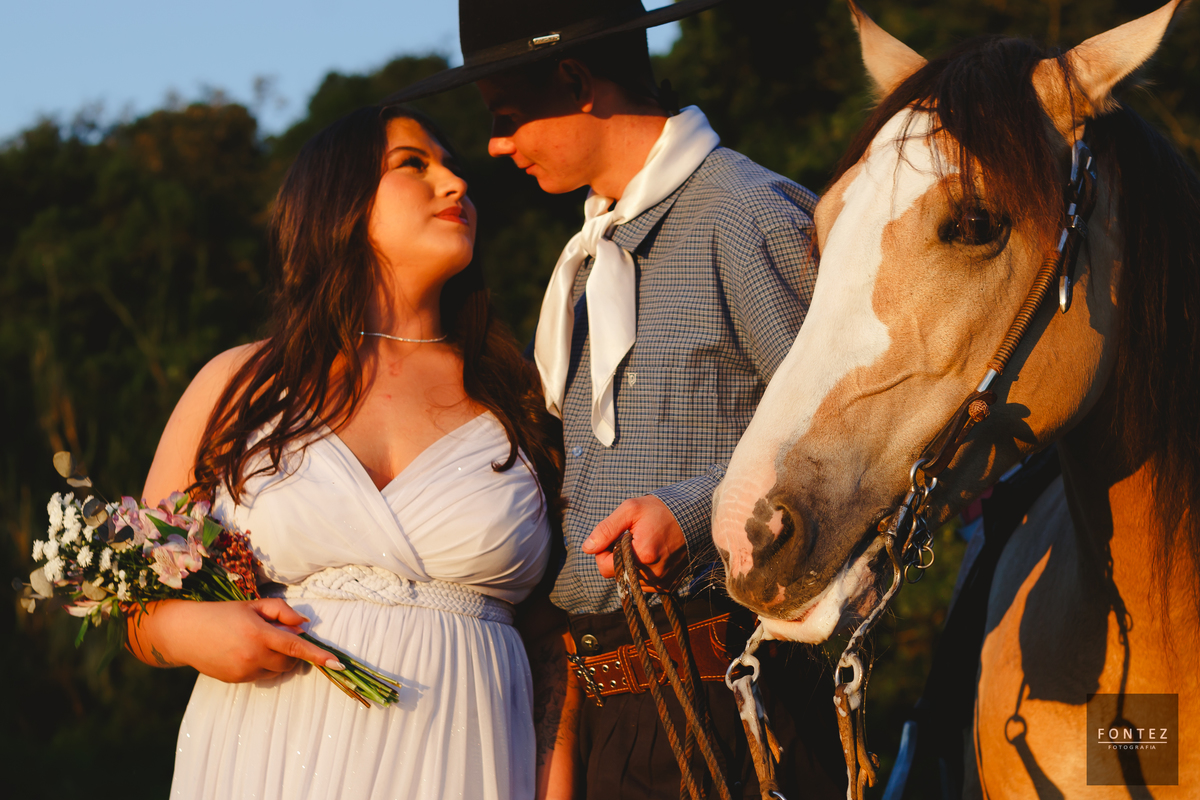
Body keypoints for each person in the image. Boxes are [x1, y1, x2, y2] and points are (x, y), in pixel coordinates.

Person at [386, 2, 845, 797]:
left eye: (507, 114)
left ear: (575, 81)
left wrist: (692, 515)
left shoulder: (746, 214)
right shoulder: (589, 261)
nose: (495, 145)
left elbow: (845, 436)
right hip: (602, 714)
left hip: (730, 696)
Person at [127, 104, 563, 800]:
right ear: (340, 201)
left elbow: (557, 639)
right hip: (264, 758)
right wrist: (191, 633)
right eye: (413, 164)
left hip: (466, 762)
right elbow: (137, 603)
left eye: (454, 169)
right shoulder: (239, 385)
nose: (456, 184)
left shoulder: (523, 397)